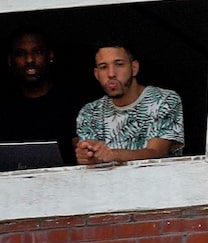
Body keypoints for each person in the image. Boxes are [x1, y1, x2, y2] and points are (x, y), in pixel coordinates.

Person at [73, 43, 184, 166]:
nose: (111, 74)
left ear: (134, 68)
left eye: (119, 64)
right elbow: (92, 157)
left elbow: (158, 153)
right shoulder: (89, 112)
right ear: (96, 74)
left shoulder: (164, 99)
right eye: (103, 67)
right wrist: (87, 156)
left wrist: (113, 155)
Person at [1, 30, 84, 167]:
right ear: (10, 60)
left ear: (50, 55)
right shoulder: (4, 107)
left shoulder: (73, 104)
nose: (29, 60)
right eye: (21, 54)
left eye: (37, 52)